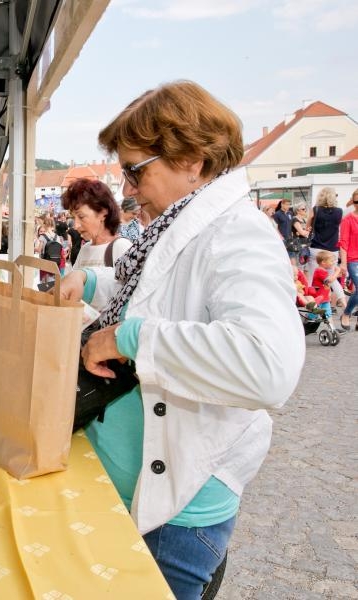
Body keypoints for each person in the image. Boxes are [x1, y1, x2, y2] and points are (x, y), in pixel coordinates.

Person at [60, 80, 304, 599]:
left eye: (135, 169)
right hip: (133, 492)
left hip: (179, 512)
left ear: (191, 159)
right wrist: (94, 281)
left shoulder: (239, 233)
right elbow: (159, 293)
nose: (127, 187)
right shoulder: (175, 228)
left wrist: (127, 337)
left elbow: (268, 365)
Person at [60, 178, 133, 310]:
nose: (75, 225)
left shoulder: (122, 247)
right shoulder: (85, 249)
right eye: (73, 218)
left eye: (81, 217)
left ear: (103, 213)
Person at [306, 187, 343, 283]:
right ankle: (340, 298)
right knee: (331, 279)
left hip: (316, 248)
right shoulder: (339, 211)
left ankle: (311, 296)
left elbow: (307, 227)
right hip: (332, 249)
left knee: (311, 277)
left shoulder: (315, 209)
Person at [339, 189, 358, 329]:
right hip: (353, 259)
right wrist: (344, 264)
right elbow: (343, 243)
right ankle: (346, 313)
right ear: (353, 202)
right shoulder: (347, 219)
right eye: (356, 201)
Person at [311, 250, 340, 321]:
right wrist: (337, 272)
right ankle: (307, 325)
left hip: (324, 297)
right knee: (313, 314)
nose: (333, 263)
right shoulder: (320, 271)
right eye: (331, 261)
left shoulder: (323, 271)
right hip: (319, 297)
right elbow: (329, 280)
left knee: (328, 314)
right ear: (323, 262)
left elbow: (327, 284)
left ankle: (332, 330)